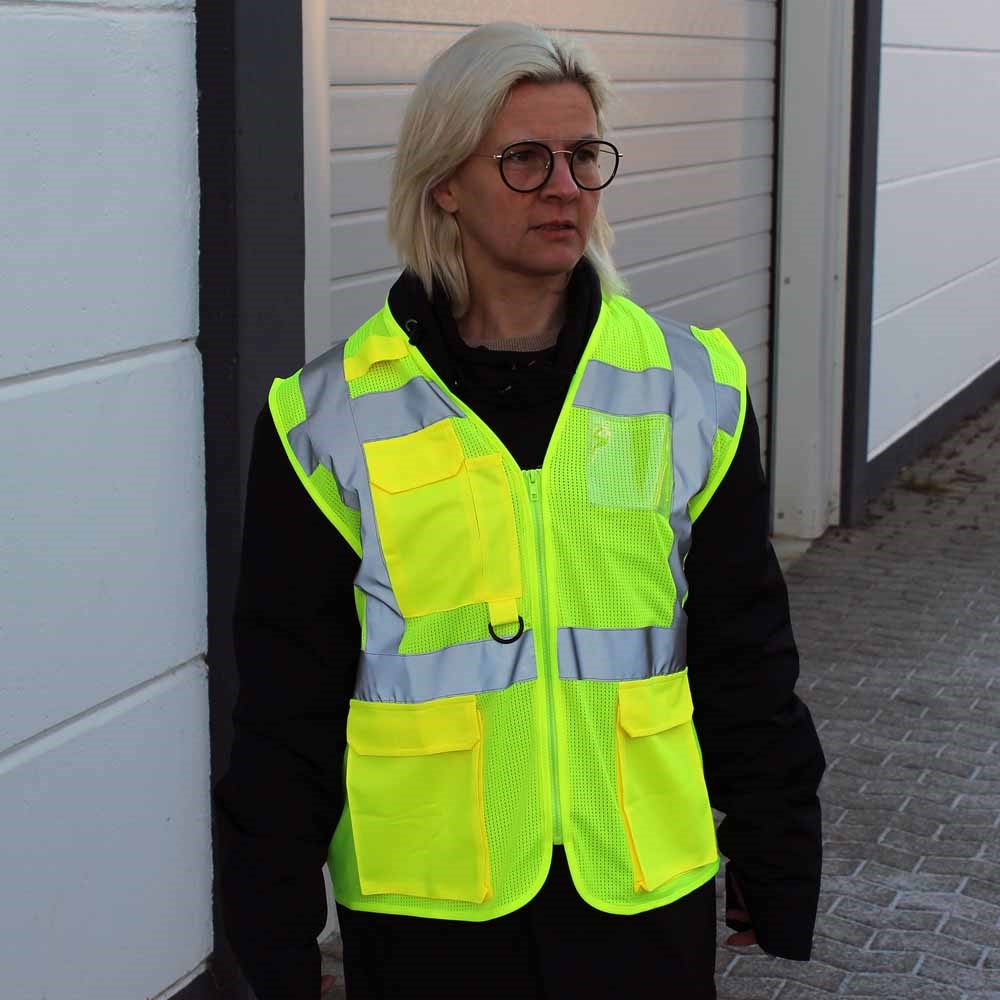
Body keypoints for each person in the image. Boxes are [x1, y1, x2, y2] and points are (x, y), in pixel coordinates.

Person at [215, 21, 825, 1000]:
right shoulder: (328, 416)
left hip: (638, 892)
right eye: (525, 158)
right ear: (444, 183)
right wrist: (274, 941)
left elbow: (744, 646)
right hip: (430, 912)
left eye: (584, 156)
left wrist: (774, 851)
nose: (564, 187)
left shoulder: (690, 387)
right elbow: (287, 701)